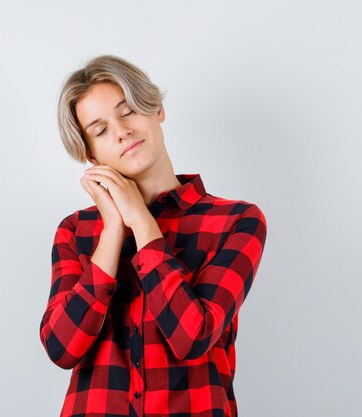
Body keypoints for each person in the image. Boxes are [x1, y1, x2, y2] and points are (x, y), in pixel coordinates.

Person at [39, 55, 268, 417]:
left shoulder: (236, 221)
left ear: (156, 109)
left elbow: (192, 338)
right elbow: (62, 348)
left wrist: (142, 222)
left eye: (127, 111)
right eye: (99, 130)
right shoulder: (75, 231)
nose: (120, 131)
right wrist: (113, 229)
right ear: (90, 154)